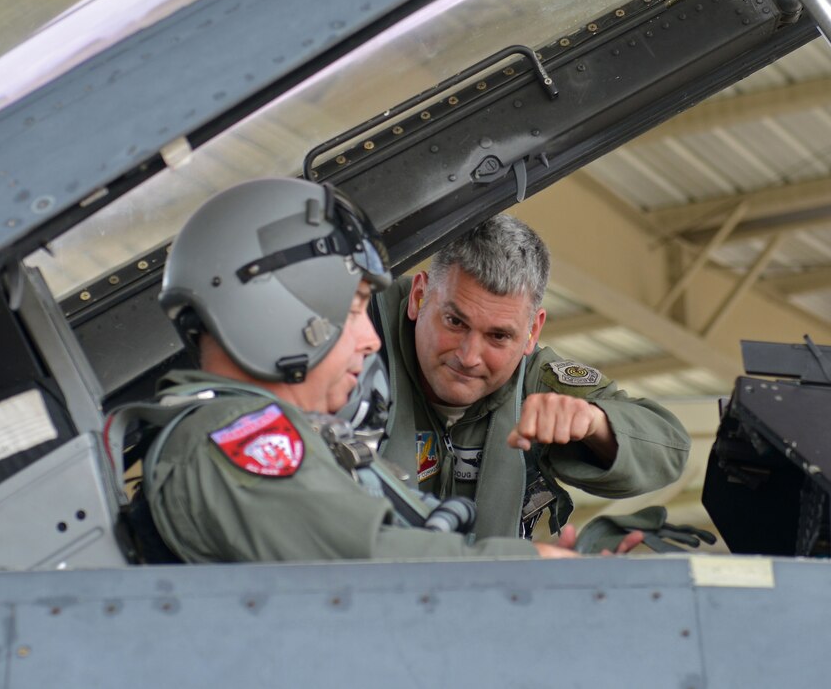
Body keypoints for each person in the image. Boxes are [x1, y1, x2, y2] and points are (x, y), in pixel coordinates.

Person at [143, 177, 632, 563]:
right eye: (356, 308)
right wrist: (534, 568)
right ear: (281, 313)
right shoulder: (232, 443)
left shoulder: (261, 438)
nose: (371, 338)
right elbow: (371, 565)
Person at [372, 214, 691, 539]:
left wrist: (594, 423)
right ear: (418, 296)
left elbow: (668, 447)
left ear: (532, 331)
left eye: (498, 336)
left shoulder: (536, 381)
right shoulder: (358, 339)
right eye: (455, 322)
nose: (468, 357)